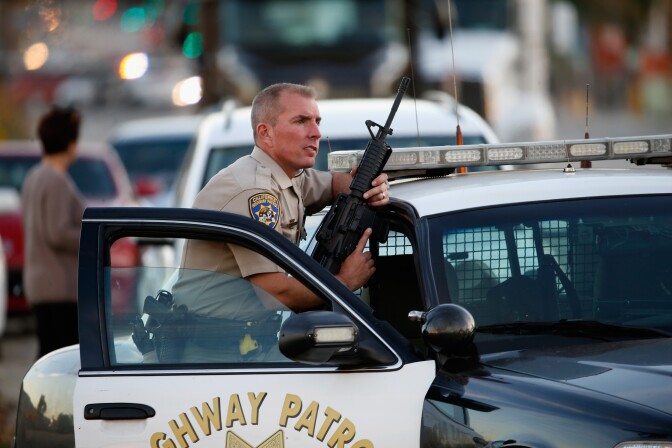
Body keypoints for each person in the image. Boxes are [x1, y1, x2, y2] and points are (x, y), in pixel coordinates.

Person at [167, 83, 389, 362]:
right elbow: (274, 293)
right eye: (301, 121)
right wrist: (343, 282)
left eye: (317, 122)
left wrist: (371, 187)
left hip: (245, 343)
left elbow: (333, 184)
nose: (316, 132)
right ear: (265, 133)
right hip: (214, 353)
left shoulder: (288, 176)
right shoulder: (253, 191)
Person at [21, 106, 85, 358]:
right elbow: (57, 232)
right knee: (62, 359)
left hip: (40, 284)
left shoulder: (34, 176)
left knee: (47, 356)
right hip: (58, 286)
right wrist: (92, 240)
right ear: (70, 142)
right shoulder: (56, 180)